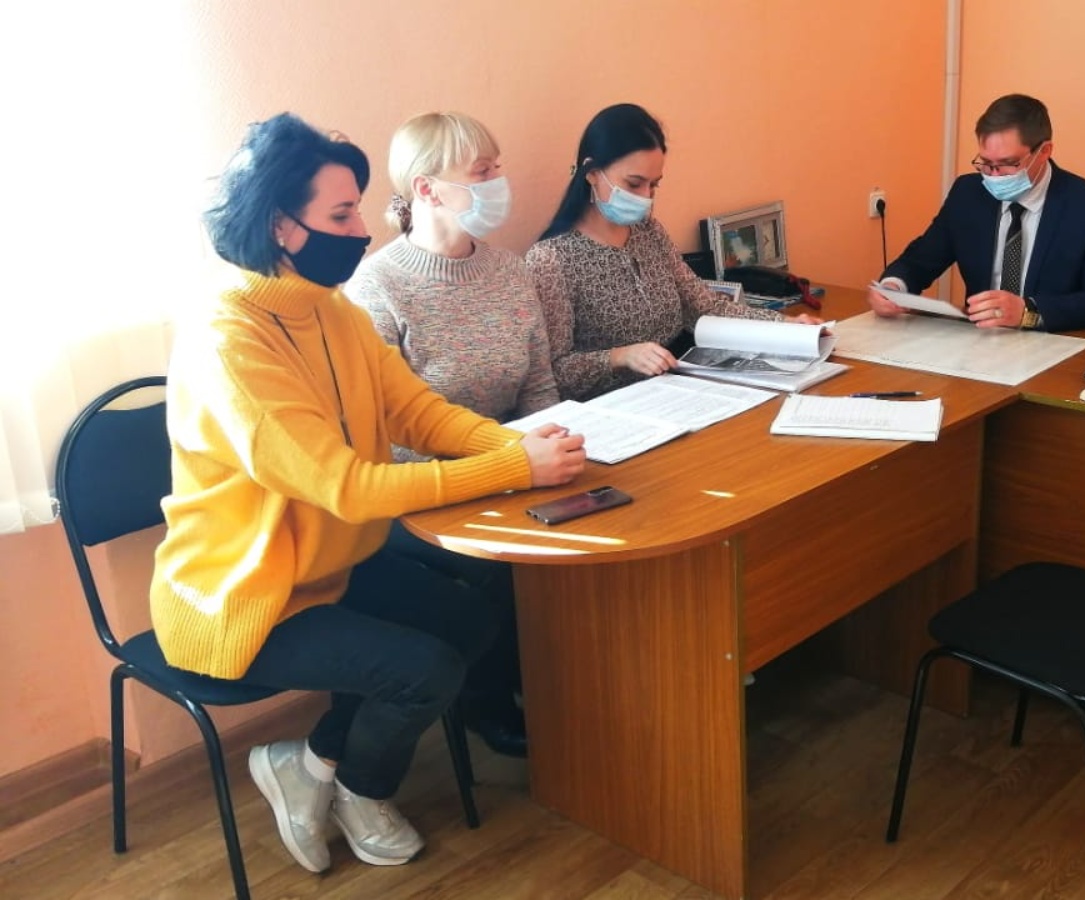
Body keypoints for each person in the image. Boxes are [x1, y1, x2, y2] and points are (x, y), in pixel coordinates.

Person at [152, 113, 586, 873]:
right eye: (341, 215)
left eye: (356, 210)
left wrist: (517, 445)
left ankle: (315, 764)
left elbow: (418, 411)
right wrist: (516, 469)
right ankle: (364, 787)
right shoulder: (230, 340)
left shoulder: (331, 310)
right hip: (245, 595)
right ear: (282, 227)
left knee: (472, 620)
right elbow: (345, 487)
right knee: (425, 671)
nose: (362, 230)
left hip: (330, 565)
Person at [346, 111, 556, 758]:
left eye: (497, 168)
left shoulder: (510, 272)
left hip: (513, 466)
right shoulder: (377, 288)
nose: (498, 183)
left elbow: (540, 388)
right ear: (427, 189)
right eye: (482, 172)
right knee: (496, 572)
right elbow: (384, 435)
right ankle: (489, 702)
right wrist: (499, 470)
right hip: (423, 493)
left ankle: (570, 684)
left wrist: (550, 445)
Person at [527, 103, 821, 401]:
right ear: (592, 173)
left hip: (677, 389)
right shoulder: (551, 259)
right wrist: (619, 356)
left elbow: (706, 307)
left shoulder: (649, 232)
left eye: (654, 185)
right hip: (612, 406)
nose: (645, 197)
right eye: (634, 183)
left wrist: (784, 326)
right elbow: (553, 374)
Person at [868, 93, 1085, 332]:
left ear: (1044, 151)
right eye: (985, 163)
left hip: (1056, 346)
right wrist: (893, 287)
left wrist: (1027, 311)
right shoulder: (968, 194)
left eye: (1007, 164)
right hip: (981, 344)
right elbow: (919, 261)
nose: (994, 176)